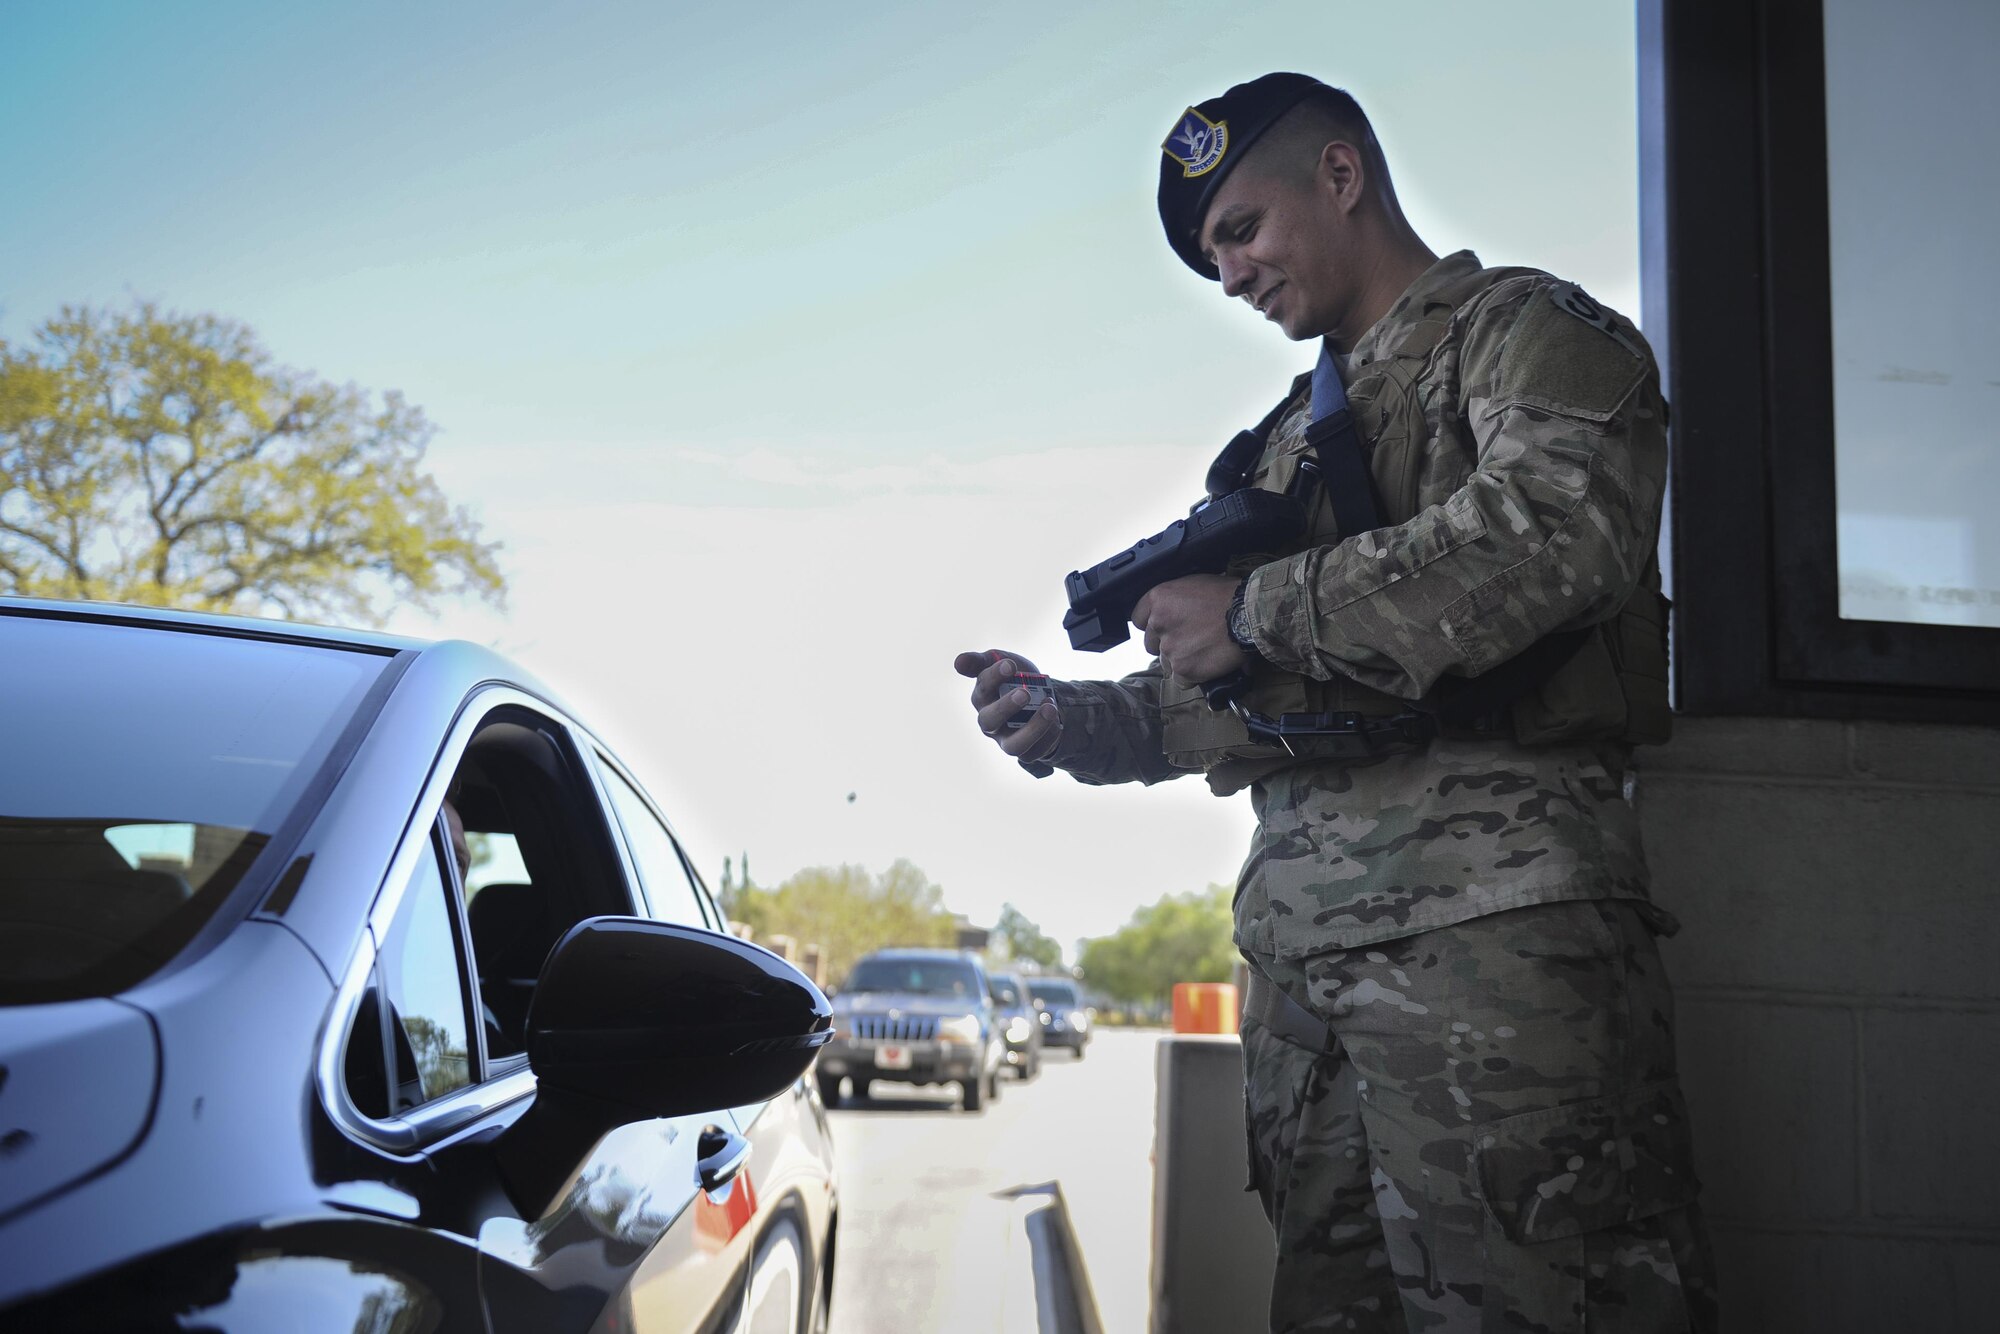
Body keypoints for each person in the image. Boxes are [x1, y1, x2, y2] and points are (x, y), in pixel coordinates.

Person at [955, 73, 1715, 1332]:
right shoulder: (1280, 446)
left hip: (1492, 953)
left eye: (1239, 230)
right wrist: (1071, 721)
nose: (1228, 275)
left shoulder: (1523, 330)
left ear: (1341, 175)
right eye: (1208, 258)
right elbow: (1228, 701)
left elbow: (1555, 530)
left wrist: (1251, 610)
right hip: (1309, 988)